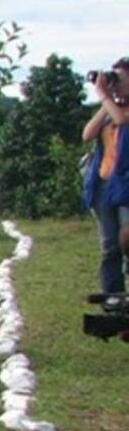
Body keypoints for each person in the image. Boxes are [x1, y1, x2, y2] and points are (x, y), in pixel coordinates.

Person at [82, 58, 129, 293]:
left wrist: (104, 95)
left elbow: (122, 121)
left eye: (120, 79)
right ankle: (113, 297)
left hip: (126, 186)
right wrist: (106, 98)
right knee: (110, 246)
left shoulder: (121, 112)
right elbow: (87, 134)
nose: (116, 84)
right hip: (104, 184)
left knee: (127, 239)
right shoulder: (111, 108)